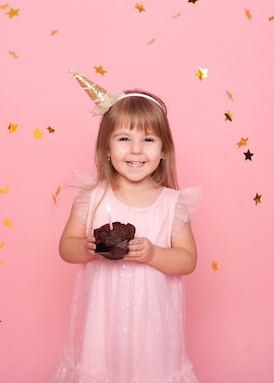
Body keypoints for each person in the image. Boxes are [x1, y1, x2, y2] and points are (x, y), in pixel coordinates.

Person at [48, 70, 201, 382]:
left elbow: (188, 260)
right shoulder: (91, 198)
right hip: (100, 328)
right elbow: (66, 248)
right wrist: (86, 247)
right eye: (123, 139)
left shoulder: (172, 204)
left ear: (163, 151)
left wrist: (154, 253)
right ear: (106, 148)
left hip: (152, 333)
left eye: (147, 140)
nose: (135, 150)